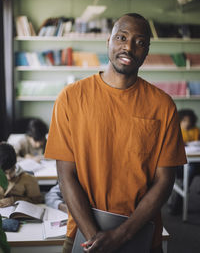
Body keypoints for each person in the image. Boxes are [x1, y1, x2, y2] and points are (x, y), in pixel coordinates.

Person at [45, 13, 186, 253]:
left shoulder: (163, 106)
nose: (129, 47)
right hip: (83, 233)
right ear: (108, 42)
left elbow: (165, 181)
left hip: (142, 231)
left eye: (140, 42)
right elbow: (66, 175)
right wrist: (95, 237)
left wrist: (121, 236)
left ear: (147, 52)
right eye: (121, 37)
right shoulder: (70, 98)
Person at [168, 109, 200, 215]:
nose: (187, 123)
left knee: (192, 167)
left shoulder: (196, 130)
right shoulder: (175, 130)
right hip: (179, 166)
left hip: (194, 161)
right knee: (191, 168)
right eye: (184, 121)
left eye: (189, 121)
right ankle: (179, 201)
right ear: (180, 121)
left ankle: (182, 194)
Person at [0, 142, 43, 207]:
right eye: (4, 173)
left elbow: (37, 200)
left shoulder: (28, 179)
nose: (8, 177)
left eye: (12, 171)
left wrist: (14, 200)